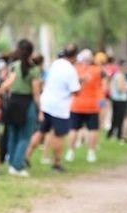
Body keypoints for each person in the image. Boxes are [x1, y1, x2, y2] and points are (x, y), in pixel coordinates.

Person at [25, 44, 80, 173]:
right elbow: (75, 90)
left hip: (46, 103)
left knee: (40, 131)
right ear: (74, 56)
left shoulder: (56, 64)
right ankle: (57, 163)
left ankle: (26, 157)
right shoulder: (70, 70)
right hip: (59, 108)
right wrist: (82, 83)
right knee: (58, 135)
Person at [4, 39, 41, 177]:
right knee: (25, 136)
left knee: (13, 134)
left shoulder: (14, 66)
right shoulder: (34, 70)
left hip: (13, 102)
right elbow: (36, 93)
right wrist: (40, 110)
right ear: (31, 52)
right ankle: (17, 166)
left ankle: (12, 163)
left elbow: (8, 85)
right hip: (27, 103)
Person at [65, 49, 105, 163]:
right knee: (93, 129)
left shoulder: (75, 70)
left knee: (73, 129)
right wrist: (101, 101)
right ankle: (91, 153)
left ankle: (70, 152)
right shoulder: (97, 71)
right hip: (92, 105)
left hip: (76, 104)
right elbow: (100, 87)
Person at [107, 60, 127, 142]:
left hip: (116, 99)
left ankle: (112, 134)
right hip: (120, 100)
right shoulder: (120, 76)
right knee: (119, 118)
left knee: (115, 117)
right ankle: (118, 134)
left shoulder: (117, 75)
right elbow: (120, 88)